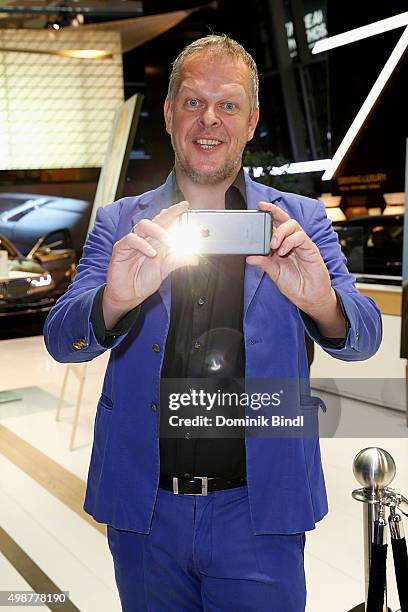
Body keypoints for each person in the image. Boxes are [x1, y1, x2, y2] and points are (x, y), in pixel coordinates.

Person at [44, 34, 382, 612]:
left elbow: (364, 336)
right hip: (146, 513)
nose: (210, 119)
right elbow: (62, 339)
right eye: (194, 101)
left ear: (251, 121)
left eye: (228, 105)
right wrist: (113, 302)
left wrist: (322, 302)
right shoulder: (122, 224)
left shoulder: (295, 220)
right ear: (171, 114)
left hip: (259, 511)